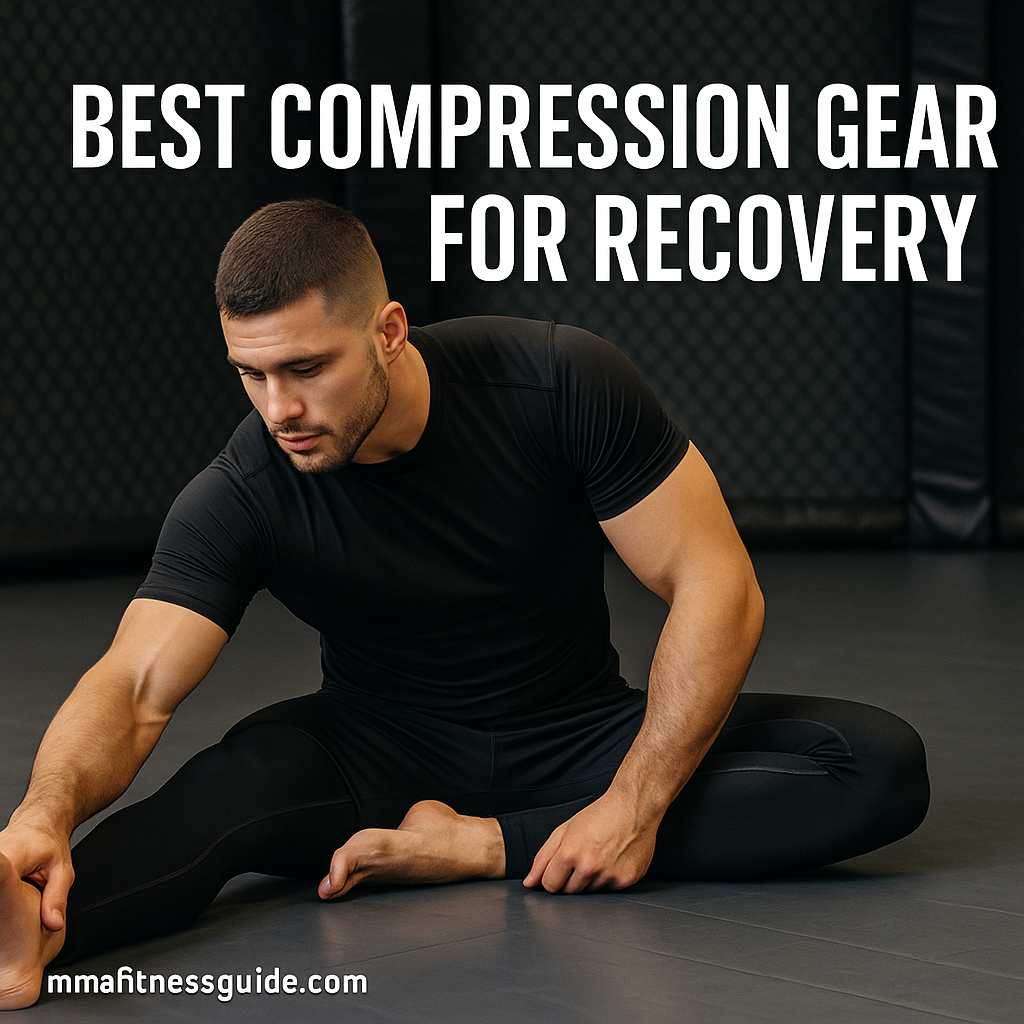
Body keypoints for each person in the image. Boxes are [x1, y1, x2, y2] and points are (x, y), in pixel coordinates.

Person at [0, 200, 929, 1009]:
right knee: (211, 799)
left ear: (389, 329)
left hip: (576, 737)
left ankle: (485, 846)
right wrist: (42, 814)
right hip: (370, 753)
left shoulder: (558, 382)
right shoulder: (244, 488)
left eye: (307, 367)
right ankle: (16, 939)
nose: (278, 407)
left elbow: (715, 583)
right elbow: (132, 687)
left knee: (872, 765)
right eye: (251, 372)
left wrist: (634, 805)